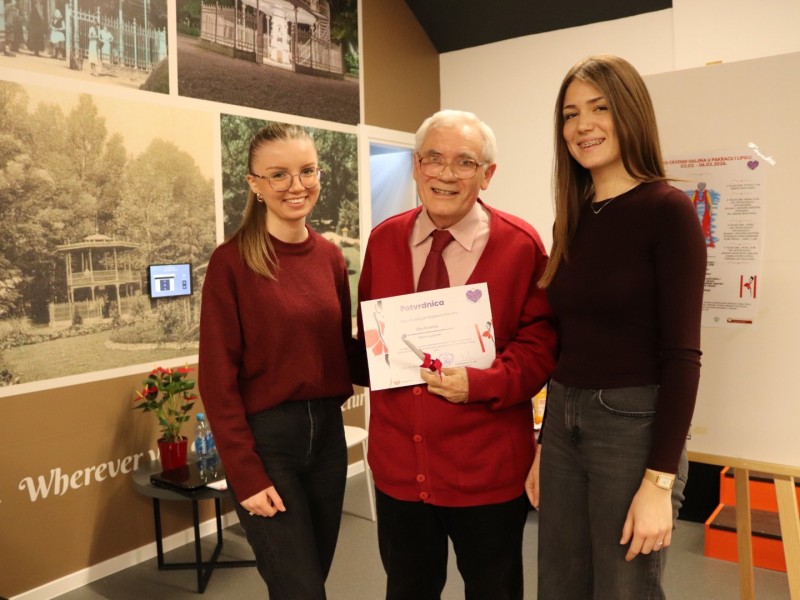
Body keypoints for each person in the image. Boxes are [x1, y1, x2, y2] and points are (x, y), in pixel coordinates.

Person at [525, 55, 707, 600]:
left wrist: (660, 482)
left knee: (625, 589)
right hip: (564, 420)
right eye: (571, 114)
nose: (583, 125)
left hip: (632, 427)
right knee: (558, 587)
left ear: (630, 113)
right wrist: (545, 442)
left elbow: (683, 356)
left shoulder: (668, 210)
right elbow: (570, 342)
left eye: (599, 108)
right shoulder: (573, 215)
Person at [357, 109, 557, 600]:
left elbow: (540, 348)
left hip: (486, 474)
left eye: (465, 162)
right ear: (416, 166)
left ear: (487, 175)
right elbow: (369, 334)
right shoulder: (384, 240)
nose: (445, 174)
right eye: (433, 158)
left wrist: (480, 383)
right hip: (400, 473)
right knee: (407, 590)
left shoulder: (521, 246)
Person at [198, 123, 356, 599]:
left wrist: (416, 354)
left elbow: (342, 353)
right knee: (301, 590)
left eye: (307, 171)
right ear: (255, 184)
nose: (296, 185)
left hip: (328, 439)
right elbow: (217, 381)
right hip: (268, 444)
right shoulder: (231, 262)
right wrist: (244, 474)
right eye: (279, 174)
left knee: (309, 580)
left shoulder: (331, 257)